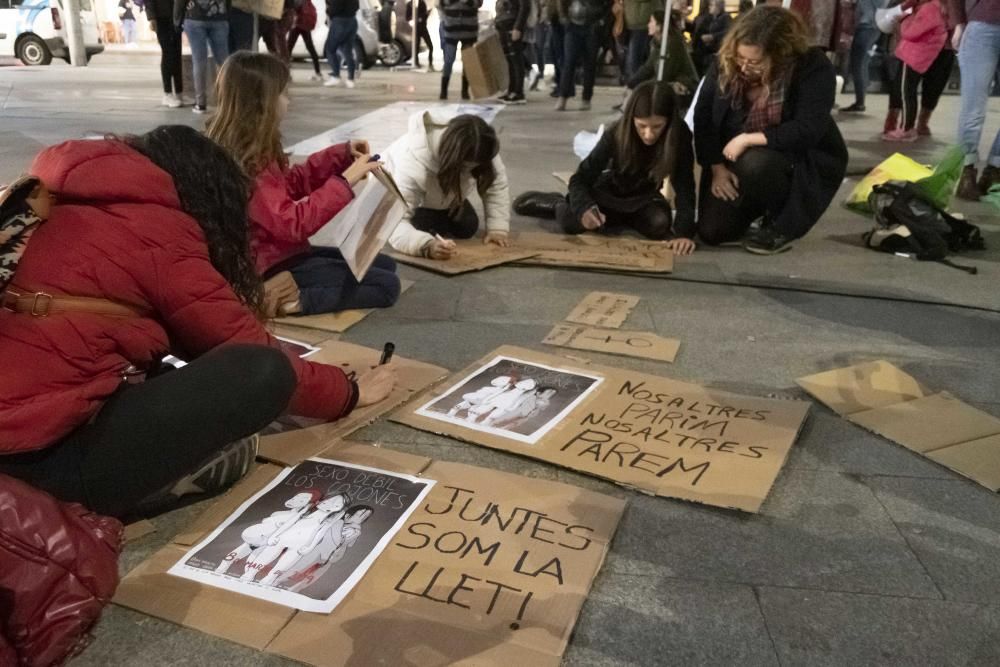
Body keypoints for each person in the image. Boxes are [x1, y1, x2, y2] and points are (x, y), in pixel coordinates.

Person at [0, 125, 397, 519]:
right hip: (32, 468)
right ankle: (139, 489)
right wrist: (349, 393)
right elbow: (247, 348)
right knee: (264, 372)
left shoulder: (58, 191)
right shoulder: (155, 229)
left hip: (24, 428)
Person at [207, 52, 401, 314]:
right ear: (262, 102)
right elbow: (294, 224)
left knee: (384, 264)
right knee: (387, 285)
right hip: (267, 266)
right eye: (284, 94)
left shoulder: (249, 146)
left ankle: (299, 289)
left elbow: (289, 184)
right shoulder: (247, 161)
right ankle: (292, 301)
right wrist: (345, 182)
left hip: (278, 252)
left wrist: (339, 156)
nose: (289, 101)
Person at [693, 6, 848, 254]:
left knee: (756, 164)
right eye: (740, 59)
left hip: (792, 158)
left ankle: (779, 222)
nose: (744, 68)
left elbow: (808, 129)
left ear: (780, 54)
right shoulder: (725, 63)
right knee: (712, 232)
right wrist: (717, 168)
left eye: (754, 62)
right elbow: (703, 119)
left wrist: (749, 138)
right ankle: (752, 207)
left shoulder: (812, 67)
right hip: (730, 160)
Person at [558, 80, 696, 253]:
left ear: (669, 121)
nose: (649, 134)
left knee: (659, 224)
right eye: (641, 126)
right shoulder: (616, 132)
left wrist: (683, 233)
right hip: (608, 193)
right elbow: (581, 177)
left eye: (657, 126)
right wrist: (584, 207)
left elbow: (685, 186)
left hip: (644, 198)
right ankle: (556, 203)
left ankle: (617, 220)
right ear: (632, 120)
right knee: (571, 220)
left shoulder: (679, 135)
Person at [386, 112, 512, 259]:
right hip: (392, 200)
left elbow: (496, 185)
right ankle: (429, 222)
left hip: (443, 195)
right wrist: (426, 246)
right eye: (466, 167)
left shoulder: (482, 144)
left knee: (466, 226)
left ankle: (435, 218)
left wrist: (497, 229)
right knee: (424, 226)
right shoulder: (411, 164)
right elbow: (392, 223)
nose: (471, 170)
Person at [946, 0, 1000, 200]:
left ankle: (995, 170)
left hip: (981, 27)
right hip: (981, 26)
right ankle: (965, 171)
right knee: (973, 107)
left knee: (973, 107)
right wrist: (958, 23)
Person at [883, 0, 954, 141]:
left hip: (913, 56)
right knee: (909, 91)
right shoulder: (939, 8)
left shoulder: (930, 9)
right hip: (920, 56)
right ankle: (908, 126)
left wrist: (904, 20)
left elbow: (911, 33)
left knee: (906, 92)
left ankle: (906, 128)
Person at [174, 0, 230, 113]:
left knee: (199, 60)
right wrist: (226, 14)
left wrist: (177, 20)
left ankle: (201, 103)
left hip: (194, 17)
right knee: (224, 62)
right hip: (219, 16)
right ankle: (228, 101)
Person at [627, 10, 698, 96]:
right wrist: (631, 84)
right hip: (668, 83)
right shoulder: (656, 43)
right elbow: (647, 68)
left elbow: (666, 74)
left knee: (645, 91)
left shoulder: (673, 43)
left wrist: (645, 85)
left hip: (684, 85)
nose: (648, 25)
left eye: (651, 21)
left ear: (659, 26)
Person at [554, 0, 607, 110]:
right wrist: (563, 17)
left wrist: (602, 20)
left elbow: (609, 4)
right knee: (569, 62)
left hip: (592, 25)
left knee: (590, 64)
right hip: (573, 25)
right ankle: (563, 96)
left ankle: (586, 98)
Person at [841, 0, 888, 113]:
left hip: (868, 25)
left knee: (859, 64)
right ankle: (860, 100)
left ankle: (860, 102)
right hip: (868, 25)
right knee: (861, 63)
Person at [439, 0, 482, 100]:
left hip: (469, 30)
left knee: (467, 61)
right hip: (451, 29)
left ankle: (465, 91)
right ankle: (443, 90)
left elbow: (479, 3)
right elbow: (441, 3)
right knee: (448, 60)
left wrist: (468, 2)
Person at [146, 0, 186, 107]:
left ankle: (179, 92)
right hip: (161, 17)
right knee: (168, 53)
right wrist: (151, 17)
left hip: (176, 16)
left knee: (177, 54)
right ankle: (167, 93)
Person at [496, 0, 533, 104]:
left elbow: (525, 6)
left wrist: (518, 27)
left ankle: (518, 92)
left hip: (512, 25)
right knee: (509, 60)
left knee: (516, 59)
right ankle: (511, 90)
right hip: (504, 24)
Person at [324, 0, 360, 88]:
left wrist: (328, 11)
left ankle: (336, 76)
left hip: (339, 21)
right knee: (348, 50)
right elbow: (357, 6)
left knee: (330, 49)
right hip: (352, 21)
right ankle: (350, 79)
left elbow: (334, 8)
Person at [692, 0, 732, 76]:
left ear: (718, 6)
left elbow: (728, 32)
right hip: (704, 52)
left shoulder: (725, 17)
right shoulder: (710, 17)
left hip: (714, 53)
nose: (709, 7)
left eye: (711, 5)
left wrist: (713, 37)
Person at [289, 0, 324, 81]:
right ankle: (318, 73)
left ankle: (286, 74)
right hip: (305, 24)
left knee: (288, 49)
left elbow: (295, 6)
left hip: (298, 23)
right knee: (310, 48)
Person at [623, 0, 654, 81]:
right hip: (630, 21)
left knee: (634, 57)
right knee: (631, 55)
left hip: (641, 23)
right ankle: (632, 81)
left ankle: (635, 82)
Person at [407, 0, 435, 69]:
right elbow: (407, 17)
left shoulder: (422, 3)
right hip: (416, 28)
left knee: (430, 46)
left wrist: (426, 14)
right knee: (416, 47)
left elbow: (424, 16)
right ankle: (416, 63)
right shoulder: (410, 4)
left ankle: (430, 64)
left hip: (423, 28)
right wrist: (415, 19)